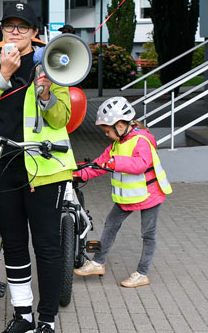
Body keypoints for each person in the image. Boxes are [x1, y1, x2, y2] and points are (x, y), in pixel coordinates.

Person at [0, 1, 76, 333]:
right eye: (9, 26)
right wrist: (2, 75)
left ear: (34, 33)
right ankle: (23, 316)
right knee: (13, 245)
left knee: (46, 247)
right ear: (1, 32)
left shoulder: (53, 62)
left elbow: (62, 117)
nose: (14, 32)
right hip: (3, 167)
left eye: (22, 26)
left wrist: (45, 93)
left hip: (44, 170)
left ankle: (47, 323)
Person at [73, 96, 171, 288]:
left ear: (119, 125)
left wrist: (115, 162)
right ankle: (97, 263)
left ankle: (142, 274)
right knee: (111, 224)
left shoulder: (142, 140)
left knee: (148, 234)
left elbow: (140, 165)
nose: (106, 135)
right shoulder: (117, 144)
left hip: (149, 194)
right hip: (129, 196)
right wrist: (78, 174)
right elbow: (100, 164)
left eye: (107, 131)